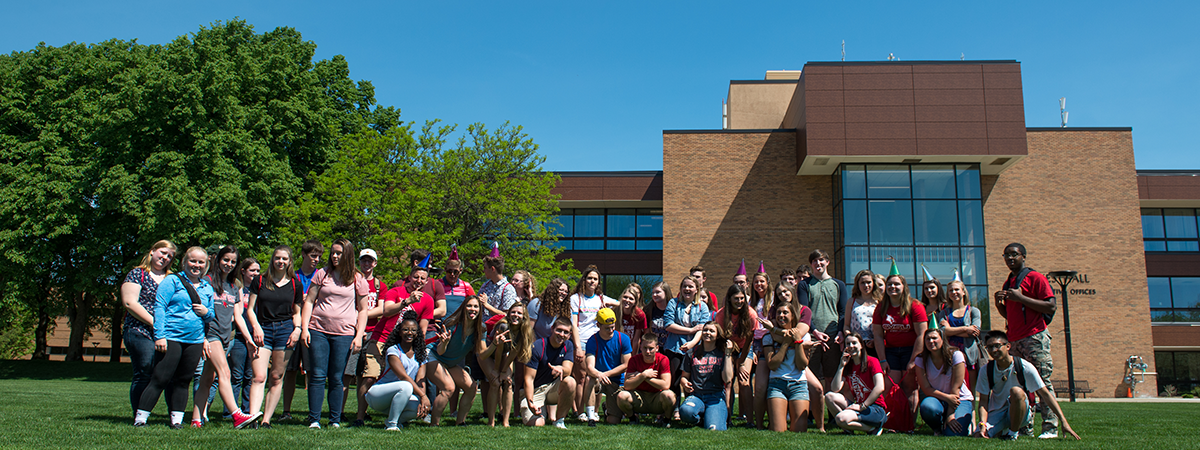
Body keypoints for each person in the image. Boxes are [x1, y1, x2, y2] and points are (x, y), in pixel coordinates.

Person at [133, 247, 215, 428]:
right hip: (171, 337)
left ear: (206, 265)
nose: (196, 265)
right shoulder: (172, 281)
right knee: (160, 378)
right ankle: (140, 419)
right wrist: (159, 336)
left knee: (183, 381)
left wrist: (206, 312)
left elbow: (211, 315)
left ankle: (176, 421)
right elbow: (159, 307)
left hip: (194, 340)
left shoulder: (207, 288)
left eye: (201, 262)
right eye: (193, 261)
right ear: (185, 262)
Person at [299, 238, 369, 428]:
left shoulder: (358, 279)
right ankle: (314, 419)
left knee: (337, 377)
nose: (334, 256)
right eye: (333, 253)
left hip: (344, 334)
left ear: (347, 255)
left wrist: (358, 335)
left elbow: (363, 310)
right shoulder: (322, 274)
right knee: (318, 375)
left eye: (339, 253)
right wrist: (304, 328)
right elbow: (308, 301)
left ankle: (334, 420)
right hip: (318, 330)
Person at [994, 243, 1060, 438]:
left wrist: (1021, 298)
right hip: (1014, 340)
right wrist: (1000, 305)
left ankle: (1050, 428)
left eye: (1014, 254)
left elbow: (1051, 306)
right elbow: (1011, 315)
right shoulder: (1009, 282)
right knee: (1021, 386)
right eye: (1006, 255)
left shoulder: (1035, 278)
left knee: (1042, 383)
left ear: (1023, 256)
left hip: (1034, 337)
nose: (1010, 258)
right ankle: (1024, 427)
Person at [355, 261, 432, 425]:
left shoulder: (428, 300)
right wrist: (407, 301)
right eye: (416, 277)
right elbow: (387, 310)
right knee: (369, 377)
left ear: (426, 281)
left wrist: (419, 349)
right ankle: (360, 416)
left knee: (403, 380)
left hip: (402, 345)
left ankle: (393, 416)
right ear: (409, 277)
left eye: (422, 278)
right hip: (381, 339)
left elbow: (422, 328)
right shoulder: (395, 291)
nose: (418, 280)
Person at [191, 246, 260, 428]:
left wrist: (248, 339)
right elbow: (197, 312)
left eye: (233, 261)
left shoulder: (234, 285)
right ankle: (237, 415)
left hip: (224, 337)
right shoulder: (206, 282)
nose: (229, 264)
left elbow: (238, 316)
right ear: (217, 260)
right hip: (210, 334)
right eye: (225, 260)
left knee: (207, 378)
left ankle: (196, 419)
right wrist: (203, 339)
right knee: (225, 373)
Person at [975, 331, 1080, 441]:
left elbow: (1045, 395)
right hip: (997, 413)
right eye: (990, 347)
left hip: (1021, 413)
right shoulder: (986, 370)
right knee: (979, 436)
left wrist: (1064, 421)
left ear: (1008, 346)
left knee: (1016, 391)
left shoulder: (1024, 366)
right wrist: (982, 424)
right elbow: (983, 401)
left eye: (997, 346)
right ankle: (1002, 430)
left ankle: (1012, 434)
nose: (993, 350)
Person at [246, 245, 305, 428]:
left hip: (285, 331)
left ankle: (266, 420)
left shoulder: (295, 284)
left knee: (277, 376)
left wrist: (297, 329)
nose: (281, 262)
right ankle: (253, 417)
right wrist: (256, 327)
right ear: (273, 259)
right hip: (263, 330)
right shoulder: (261, 281)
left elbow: (297, 312)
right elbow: (250, 309)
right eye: (277, 258)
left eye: (284, 259)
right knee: (258, 376)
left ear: (289, 261)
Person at [120, 240, 177, 417]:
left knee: (170, 373)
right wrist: (156, 323)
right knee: (145, 369)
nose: (165, 257)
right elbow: (130, 303)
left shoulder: (173, 279)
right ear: (152, 251)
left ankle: (174, 416)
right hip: (139, 330)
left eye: (170, 256)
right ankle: (139, 414)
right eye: (162, 252)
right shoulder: (138, 274)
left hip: (167, 334)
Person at [872, 272, 926, 428]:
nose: (892, 287)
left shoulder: (915, 305)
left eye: (896, 284)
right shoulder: (882, 307)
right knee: (890, 387)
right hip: (891, 351)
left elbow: (922, 334)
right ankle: (892, 423)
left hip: (911, 350)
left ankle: (909, 424)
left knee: (910, 387)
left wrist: (914, 359)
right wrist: (882, 360)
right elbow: (877, 335)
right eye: (889, 284)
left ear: (904, 287)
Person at [428, 295, 491, 426]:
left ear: (480, 310)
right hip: (433, 357)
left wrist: (495, 345)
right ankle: (434, 424)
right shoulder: (452, 323)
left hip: (450, 363)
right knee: (449, 388)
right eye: (469, 306)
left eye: (476, 306)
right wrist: (444, 342)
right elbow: (440, 351)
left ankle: (460, 422)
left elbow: (483, 354)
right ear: (463, 308)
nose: (472, 309)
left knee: (472, 387)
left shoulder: (481, 329)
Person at [364, 311, 431, 430]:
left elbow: (421, 380)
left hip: (400, 395)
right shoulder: (393, 351)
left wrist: (423, 400)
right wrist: (423, 396)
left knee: (418, 407)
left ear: (418, 333)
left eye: (413, 330)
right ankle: (392, 425)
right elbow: (403, 377)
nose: (409, 333)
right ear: (399, 332)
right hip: (378, 395)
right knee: (406, 386)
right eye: (405, 330)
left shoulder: (421, 354)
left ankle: (391, 419)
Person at [280, 239, 323, 422]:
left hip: (313, 328)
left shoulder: (321, 277)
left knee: (312, 371)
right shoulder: (292, 276)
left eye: (319, 257)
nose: (316, 260)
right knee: (289, 370)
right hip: (291, 327)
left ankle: (312, 413)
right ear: (303, 255)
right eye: (313, 256)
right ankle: (286, 411)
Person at [570, 265, 619, 423]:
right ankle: (579, 411)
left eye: (595, 279)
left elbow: (619, 303)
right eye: (589, 278)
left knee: (597, 377)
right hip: (583, 342)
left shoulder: (600, 299)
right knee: (582, 378)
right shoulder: (576, 298)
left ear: (598, 282)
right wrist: (577, 346)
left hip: (598, 342)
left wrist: (608, 307)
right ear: (584, 280)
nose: (592, 281)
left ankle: (595, 411)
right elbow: (574, 325)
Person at [796, 250, 849, 395]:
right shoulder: (804, 285)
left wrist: (840, 331)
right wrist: (814, 331)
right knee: (811, 376)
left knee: (831, 376)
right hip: (811, 337)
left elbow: (843, 311)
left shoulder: (839, 285)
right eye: (814, 261)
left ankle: (832, 415)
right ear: (811, 264)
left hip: (833, 337)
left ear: (827, 262)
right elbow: (804, 311)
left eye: (821, 260)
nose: (818, 263)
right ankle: (810, 414)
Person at [345, 248, 387, 425]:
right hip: (350, 331)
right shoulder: (350, 281)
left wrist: (362, 314)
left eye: (370, 261)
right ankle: (338, 411)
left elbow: (382, 309)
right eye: (363, 261)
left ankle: (361, 413)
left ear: (375, 263)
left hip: (371, 333)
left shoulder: (380, 285)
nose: (367, 264)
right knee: (346, 373)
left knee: (365, 374)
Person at [762, 303, 816, 433]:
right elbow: (773, 365)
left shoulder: (805, 336)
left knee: (799, 431)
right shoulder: (768, 337)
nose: (781, 316)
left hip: (798, 384)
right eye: (778, 313)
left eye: (785, 313)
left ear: (793, 316)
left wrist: (798, 342)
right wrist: (785, 344)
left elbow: (802, 365)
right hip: (777, 384)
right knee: (778, 431)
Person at [480, 302, 533, 427]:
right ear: (508, 314)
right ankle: (491, 421)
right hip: (489, 354)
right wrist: (497, 371)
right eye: (513, 312)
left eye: (519, 313)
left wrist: (505, 372)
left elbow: (513, 352)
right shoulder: (503, 326)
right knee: (495, 382)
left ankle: (505, 421)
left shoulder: (523, 330)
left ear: (524, 316)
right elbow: (498, 350)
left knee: (508, 382)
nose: (516, 315)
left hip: (505, 355)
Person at [712, 284, 758, 425]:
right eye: (736, 298)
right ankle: (727, 418)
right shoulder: (721, 314)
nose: (739, 301)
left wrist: (741, 361)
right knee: (728, 381)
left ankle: (750, 421)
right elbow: (720, 337)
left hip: (745, 348)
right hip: (727, 349)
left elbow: (750, 339)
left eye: (742, 298)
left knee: (744, 381)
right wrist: (729, 354)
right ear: (729, 299)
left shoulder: (751, 314)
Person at [825, 332, 888, 435]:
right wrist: (841, 366)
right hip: (858, 405)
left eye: (854, 343)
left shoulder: (872, 361)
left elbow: (880, 387)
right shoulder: (848, 365)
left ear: (861, 345)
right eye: (848, 344)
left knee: (840, 418)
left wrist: (862, 406)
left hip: (874, 408)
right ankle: (850, 428)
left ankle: (873, 429)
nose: (851, 346)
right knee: (829, 396)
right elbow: (835, 388)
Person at [664, 276, 710, 418]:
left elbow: (703, 328)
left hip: (695, 349)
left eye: (691, 286)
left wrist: (692, 343)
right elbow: (668, 324)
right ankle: (674, 409)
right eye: (685, 286)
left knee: (692, 381)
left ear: (697, 289)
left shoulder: (702, 306)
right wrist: (690, 331)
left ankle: (692, 409)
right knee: (674, 381)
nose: (687, 289)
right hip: (674, 348)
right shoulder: (674, 303)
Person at [914, 329, 973, 436]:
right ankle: (938, 428)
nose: (931, 341)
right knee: (927, 407)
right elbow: (926, 388)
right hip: (937, 399)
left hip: (959, 399)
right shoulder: (920, 359)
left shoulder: (956, 355)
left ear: (942, 339)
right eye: (928, 339)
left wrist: (951, 415)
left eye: (934, 338)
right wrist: (946, 398)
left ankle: (963, 422)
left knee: (954, 434)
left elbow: (956, 388)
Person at [521, 318, 578, 428]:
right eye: (559, 330)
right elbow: (529, 379)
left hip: (553, 388)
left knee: (570, 381)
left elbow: (568, 369)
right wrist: (530, 401)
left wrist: (561, 369)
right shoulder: (537, 347)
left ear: (569, 335)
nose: (562, 334)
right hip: (536, 390)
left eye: (566, 332)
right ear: (552, 329)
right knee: (538, 423)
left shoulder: (568, 346)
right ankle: (540, 412)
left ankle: (559, 421)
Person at [679, 322, 735, 430]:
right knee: (685, 412)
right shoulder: (692, 352)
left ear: (718, 335)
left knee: (714, 428)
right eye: (705, 330)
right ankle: (701, 418)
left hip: (716, 397)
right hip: (696, 395)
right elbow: (684, 377)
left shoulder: (722, 353)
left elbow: (727, 379)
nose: (707, 333)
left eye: (712, 331)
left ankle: (711, 416)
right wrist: (684, 383)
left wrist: (728, 353)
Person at [583, 307, 632, 426]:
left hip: (616, 381)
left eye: (613, 327)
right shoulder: (592, 340)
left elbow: (626, 364)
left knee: (613, 421)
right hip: (598, 379)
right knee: (589, 379)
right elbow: (590, 367)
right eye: (607, 328)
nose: (611, 330)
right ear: (598, 325)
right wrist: (599, 375)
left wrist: (606, 374)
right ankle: (590, 417)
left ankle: (607, 410)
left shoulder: (623, 339)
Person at [226, 257, 260, 417]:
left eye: (258, 271)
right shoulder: (238, 288)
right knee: (236, 376)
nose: (255, 273)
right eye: (252, 270)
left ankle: (247, 410)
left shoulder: (260, 290)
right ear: (243, 271)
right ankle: (230, 411)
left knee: (250, 376)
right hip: (239, 337)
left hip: (256, 338)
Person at [616, 334, 676, 426]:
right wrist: (643, 375)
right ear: (640, 347)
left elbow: (666, 385)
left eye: (651, 348)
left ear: (657, 348)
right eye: (645, 348)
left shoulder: (663, 359)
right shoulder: (634, 360)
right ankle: (633, 418)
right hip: (639, 396)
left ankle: (666, 420)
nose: (647, 352)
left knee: (669, 395)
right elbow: (627, 385)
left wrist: (643, 376)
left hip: (657, 397)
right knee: (622, 396)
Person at [939, 280, 982, 400]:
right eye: (951, 290)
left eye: (957, 289)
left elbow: (974, 333)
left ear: (963, 292)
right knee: (951, 389)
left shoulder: (973, 311)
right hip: (949, 355)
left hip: (969, 357)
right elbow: (942, 332)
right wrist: (965, 328)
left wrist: (950, 330)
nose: (954, 292)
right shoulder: (944, 313)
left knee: (970, 391)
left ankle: (972, 418)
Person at [745, 270, 773, 429]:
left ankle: (773, 416)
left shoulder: (774, 299)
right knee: (758, 383)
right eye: (756, 282)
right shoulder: (751, 303)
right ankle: (756, 419)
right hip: (755, 342)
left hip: (770, 341)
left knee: (770, 383)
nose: (759, 285)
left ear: (768, 283)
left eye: (762, 281)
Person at [844, 270, 881, 351]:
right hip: (856, 345)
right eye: (862, 283)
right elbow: (846, 325)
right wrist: (850, 337)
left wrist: (875, 340)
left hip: (875, 344)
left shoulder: (879, 302)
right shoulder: (851, 301)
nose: (866, 285)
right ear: (858, 284)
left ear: (873, 283)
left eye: (868, 282)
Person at [480, 255, 518, 321]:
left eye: (485, 268)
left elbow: (507, 315)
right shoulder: (485, 285)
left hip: (497, 329)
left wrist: (486, 305)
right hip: (482, 328)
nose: (483, 270)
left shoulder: (508, 289)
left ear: (492, 269)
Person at [644, 281, 674, 357]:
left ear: (666, 293)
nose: (654, 295)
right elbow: (646, 331)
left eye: (658, 292)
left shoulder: (674, 309)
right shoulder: (648, 310)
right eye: (653, 293)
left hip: (670, 348)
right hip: (654, 349)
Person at [616, 283, 647, 353]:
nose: (627, 300)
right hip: (616, 346)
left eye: (631, 299)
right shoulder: (615, 311)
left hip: (630, 346)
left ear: (635, 302)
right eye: (625, 297)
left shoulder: (640, 314)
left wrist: (633, 356)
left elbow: (636, 339)